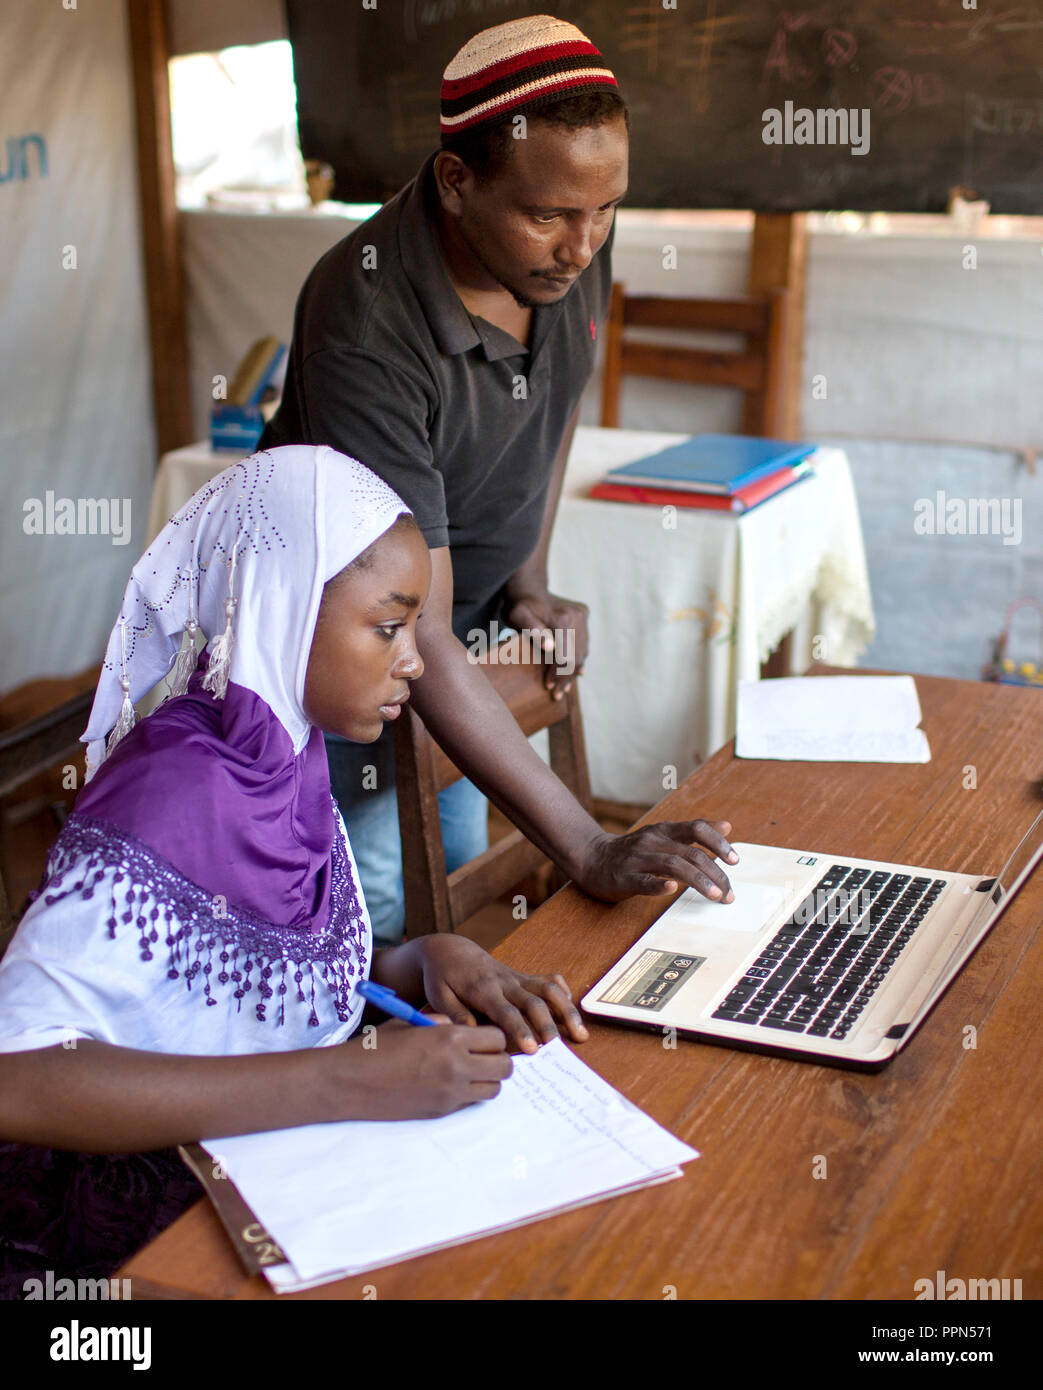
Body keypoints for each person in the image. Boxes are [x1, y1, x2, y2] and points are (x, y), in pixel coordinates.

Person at [0, 446, 590, 1295]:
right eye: (388, 629)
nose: (414, 662)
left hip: (260, 1169)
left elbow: (233, 978)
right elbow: (19, 1076)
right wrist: (340, 1077)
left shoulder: (286, 754)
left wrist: (414, 959)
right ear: (280, 607)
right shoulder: (176, 790)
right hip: (113, 1247)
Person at [260, 15, 739, 944]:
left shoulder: (566, 247)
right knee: (376, 903)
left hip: (453, 628)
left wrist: (526, 578)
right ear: (455, 179)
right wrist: (587, 846)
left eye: (606, 208)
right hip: (338, 659)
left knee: (456, 847)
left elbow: (548, 416)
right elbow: (414, 624)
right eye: (549, 215)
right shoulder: (365, 320)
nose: (583, 245)